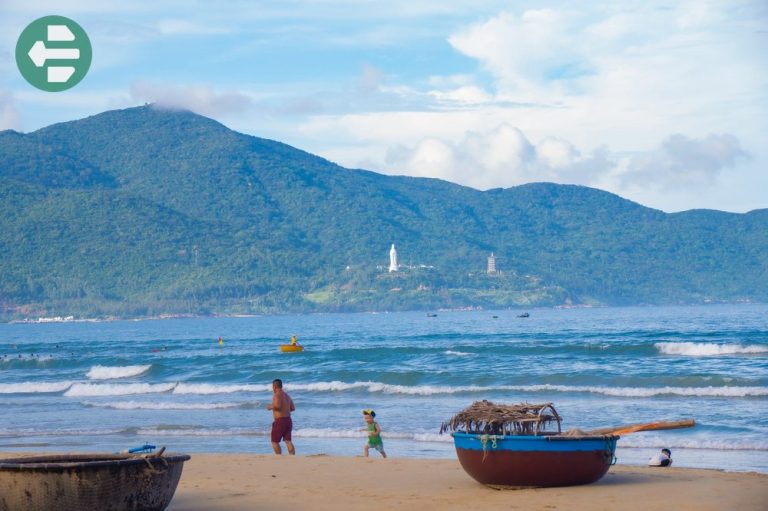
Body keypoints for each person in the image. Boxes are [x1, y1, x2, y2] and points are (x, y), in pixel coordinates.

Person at [267, 378, 295, 455]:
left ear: (274, 386)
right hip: (288, 420)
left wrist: (270, 407)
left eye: (272, 387)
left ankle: (279, 457)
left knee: (274, 442)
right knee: (288, 441)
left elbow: (277, 406)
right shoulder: (287, 396)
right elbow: (292, 408)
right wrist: (285, 409)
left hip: (280, 421)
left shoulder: (276, 395)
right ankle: (293, 457)